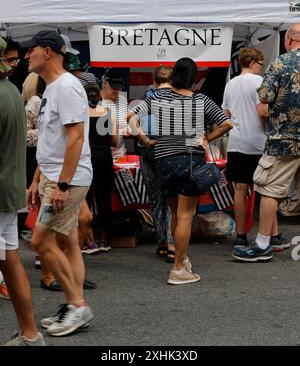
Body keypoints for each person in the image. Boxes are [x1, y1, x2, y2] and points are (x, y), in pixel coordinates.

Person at [128, 58, 232, 285]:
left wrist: (145, 139)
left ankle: (182, 260)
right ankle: (177, 269)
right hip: (189, 159)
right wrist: (206, 137)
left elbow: (130, 116)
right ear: (193, 77)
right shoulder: (200, 99)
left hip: (163, 161)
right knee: (186, 215)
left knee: (175, 213)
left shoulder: (156, 97)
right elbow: (226, 124)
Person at [23, 30, 94, 336]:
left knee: (40, 242)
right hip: (55, 175)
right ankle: (72, 304)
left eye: (31, 50)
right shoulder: (54, 87)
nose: (27, 55)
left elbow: (76, 137)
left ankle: (78, 306)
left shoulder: (66, 87)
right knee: (67, 243)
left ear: (48, 52)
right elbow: (53, 140)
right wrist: (36, 179)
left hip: (66, 179)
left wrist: (62, 184)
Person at [232, 24, 300, 262]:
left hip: (284, 139)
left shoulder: (281, 63)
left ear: (289, 39)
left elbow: (264, 97)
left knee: (269, 190)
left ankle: (262, 244)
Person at [0, 55, 45, 346]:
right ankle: (30, 334)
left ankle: (30, 334)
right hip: (9, 188)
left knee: (12, 263)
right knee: (11, 262)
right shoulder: (11, 91)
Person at [222, 47, 268, 247]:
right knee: (267, 190)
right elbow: (264, 111)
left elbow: (226, 115)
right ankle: (269, 235)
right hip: (259, 141)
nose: (261, 68)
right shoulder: (259, 82)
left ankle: (240, 235)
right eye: (260, 64)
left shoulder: (230, 84)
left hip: (237, 142)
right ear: (252, 62)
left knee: (240, 189)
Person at [137, 66, 176, 261]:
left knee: (155, 197)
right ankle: (171, 244)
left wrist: (144, 140)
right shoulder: (180, 97)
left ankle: (161, 241)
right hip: (170, 149)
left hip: (149, 149)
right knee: (170, 198)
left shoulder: (148, 98)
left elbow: (131, 119)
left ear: (154, 81)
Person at [84, 82, 118, 251]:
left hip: (86, 158)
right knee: (104, 199)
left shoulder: (81, 114)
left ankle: (89, 240)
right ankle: (104, 240)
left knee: (86, 200)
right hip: (104, 157)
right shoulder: (108, 113)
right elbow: (115, 141)